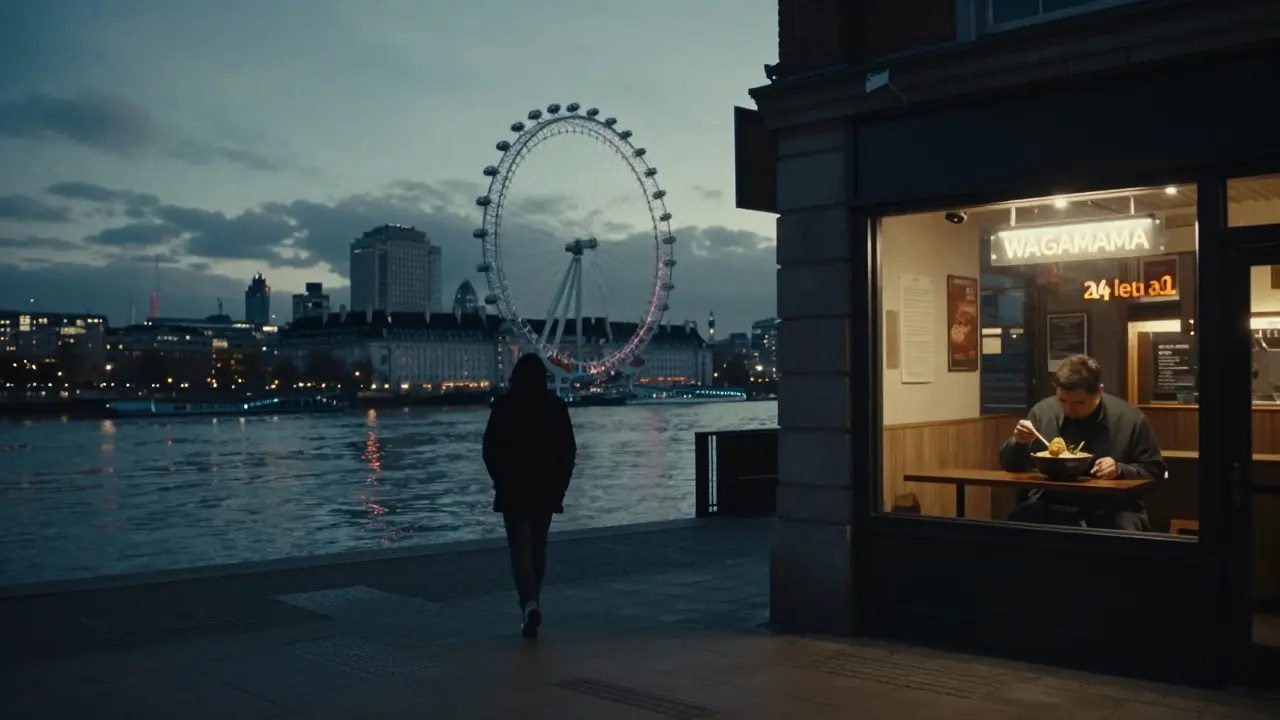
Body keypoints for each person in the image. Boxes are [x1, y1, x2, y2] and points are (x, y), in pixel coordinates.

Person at [998, 354, 1165, 532]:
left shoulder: (1130, 419)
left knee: (1124, 528)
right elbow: (1010, 466)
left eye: (1078, 403)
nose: (1069, 409)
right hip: (1051, 502)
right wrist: (1019, 443)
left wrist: (1120, 470)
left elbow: (1156, 471)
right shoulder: (1042, 413)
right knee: (1017, 521)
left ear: (1099, 391)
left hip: (1110, 506)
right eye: (1062, 400)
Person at [482, 353, 577, 638]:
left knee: (520, 551)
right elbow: (568, 451)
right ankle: (533, 601)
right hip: (546, 489)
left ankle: (529, 603)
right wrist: (560, 486)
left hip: (513, 488)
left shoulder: (504, 406)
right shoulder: (555, 406)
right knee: (538, 548)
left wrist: (500, 480)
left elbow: (489, 449)